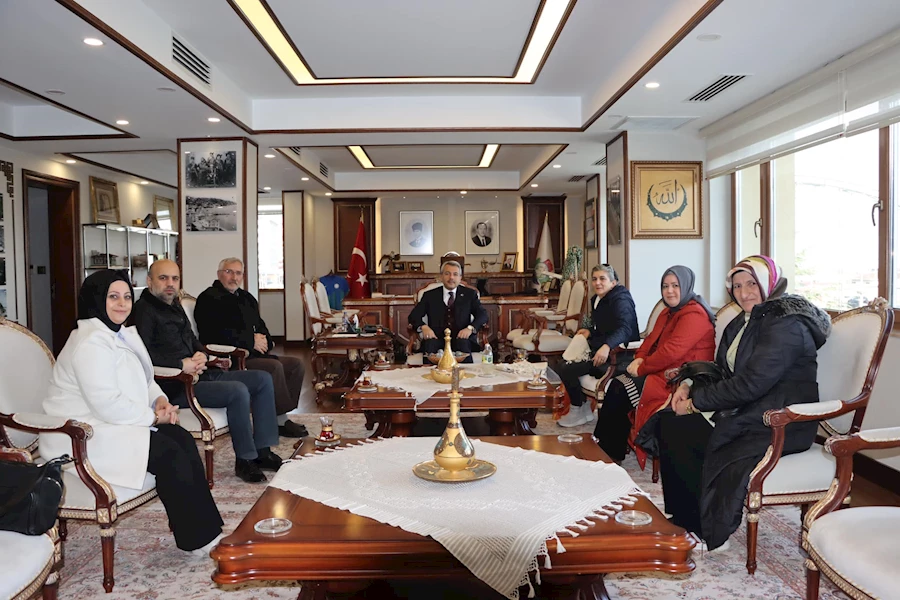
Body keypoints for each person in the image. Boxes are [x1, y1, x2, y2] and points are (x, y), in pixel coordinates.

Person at [41, 270, 223, 554]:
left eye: (127, 296)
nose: (122, 303)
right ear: (96, 300)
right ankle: (200, 540)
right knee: (169, 453)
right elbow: (107, 404)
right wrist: (153, 417)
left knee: (182, 438)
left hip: (114, 422)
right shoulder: (89, 343)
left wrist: (159, 400)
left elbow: (146, 379)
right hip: (83, 433)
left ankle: (206, 530)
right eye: (113, 297)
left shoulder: (122, 333)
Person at [659, 255, 830, 550]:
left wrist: (696, 404)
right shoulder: (744, 321)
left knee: (699, 434)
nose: (744, 292)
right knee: (669, 423)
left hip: (780, 420)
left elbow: (752, 383)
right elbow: (723, 370)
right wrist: (689, 384)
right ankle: (684, 516)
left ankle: (711, 531)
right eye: (737, 286)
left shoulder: (786, 324)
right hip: (749, 408)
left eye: (752, 283)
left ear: (769, 283)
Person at [131, 259, 284, 484]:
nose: (170, 284)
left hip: (200, 374)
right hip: (176, 386)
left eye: (175, 278)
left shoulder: (174, 304)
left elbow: (192, 339)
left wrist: (202, 354)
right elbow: (142, 355)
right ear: (149, 280)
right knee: (238, 390)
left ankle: (263, 451)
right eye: (163, 278)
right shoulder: (143, 310)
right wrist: (181, 364)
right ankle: (245, 459)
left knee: (262, 379)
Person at [594, 266, 715, 465]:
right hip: (662, 370)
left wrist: (642, 368)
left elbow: (671, 351)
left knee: (620, 388)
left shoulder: (695, 314)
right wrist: (639, 358)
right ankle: (605, 446)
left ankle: (610, 453)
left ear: (686, 286)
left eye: (675, 285)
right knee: (618, 384)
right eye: (665, 286)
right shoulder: (667, 312)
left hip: (682, 377)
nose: (669, 291)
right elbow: (650, 340)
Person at [194, 258, 308, 438]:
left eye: (238, 273)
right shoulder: (208, 299)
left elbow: (261, 326)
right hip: (231, 358)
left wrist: (266, 341)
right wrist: (249, 341)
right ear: (219, 274)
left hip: (254, 354)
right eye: (229, 272)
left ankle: (281, 416)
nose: (234, 277)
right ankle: (279, 420)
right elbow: (213, 333)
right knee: (274, 367)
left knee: (295, 365)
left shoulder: (246, 298)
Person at [556, 265, 640, 427]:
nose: (597, 283)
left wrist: (607, 346)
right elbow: (604, 329)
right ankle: (582, 408)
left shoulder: (621, 299)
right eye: (594, 279)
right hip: (601, 352)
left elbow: (625, 329)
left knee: (567, 369)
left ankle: (578, 408)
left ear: (613, 282)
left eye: (602, 279)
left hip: (620, 357)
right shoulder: (597, 299)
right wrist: (589, 332)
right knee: (564, 364)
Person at [408, 260, 487, 361]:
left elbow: (482, 315)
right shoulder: (430, 295)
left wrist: (470, 328)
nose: (451, 277)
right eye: (447, 274)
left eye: (455, 274)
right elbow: (413, 316)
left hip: (461, 339)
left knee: (463, 345)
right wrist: (424, 327)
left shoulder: (470, 294)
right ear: (441, 276)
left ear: (460, 277)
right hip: (436, 339)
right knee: (430, 346)